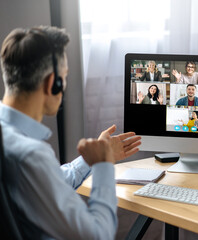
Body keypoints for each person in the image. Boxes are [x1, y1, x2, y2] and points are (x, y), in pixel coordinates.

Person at [0, 26, 141, 239]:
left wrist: (92, 159)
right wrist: (104, 166)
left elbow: (45, 183)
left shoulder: (13, 143)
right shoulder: (31, 155)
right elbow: (98, 234)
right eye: (64, 77)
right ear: (53, 84)